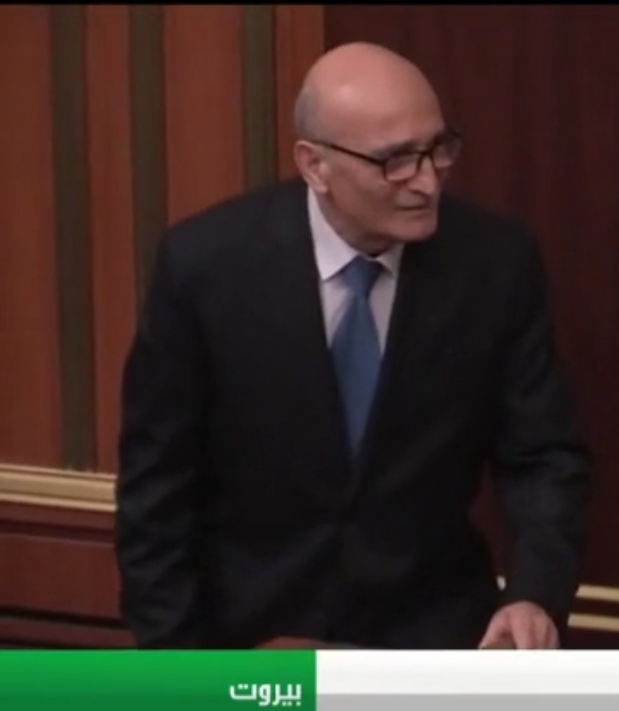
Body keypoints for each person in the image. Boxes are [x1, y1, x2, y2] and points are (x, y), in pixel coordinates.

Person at [114, 42, 592, 650]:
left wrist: (534, 594)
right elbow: (156, 492)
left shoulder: (495, 265)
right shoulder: (205, 268)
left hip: (433, 640)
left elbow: (544, 458)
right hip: (250, 640)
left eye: (438, 149)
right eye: (396, 161)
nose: (427, 181)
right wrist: (187, 675)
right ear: (315, 166)